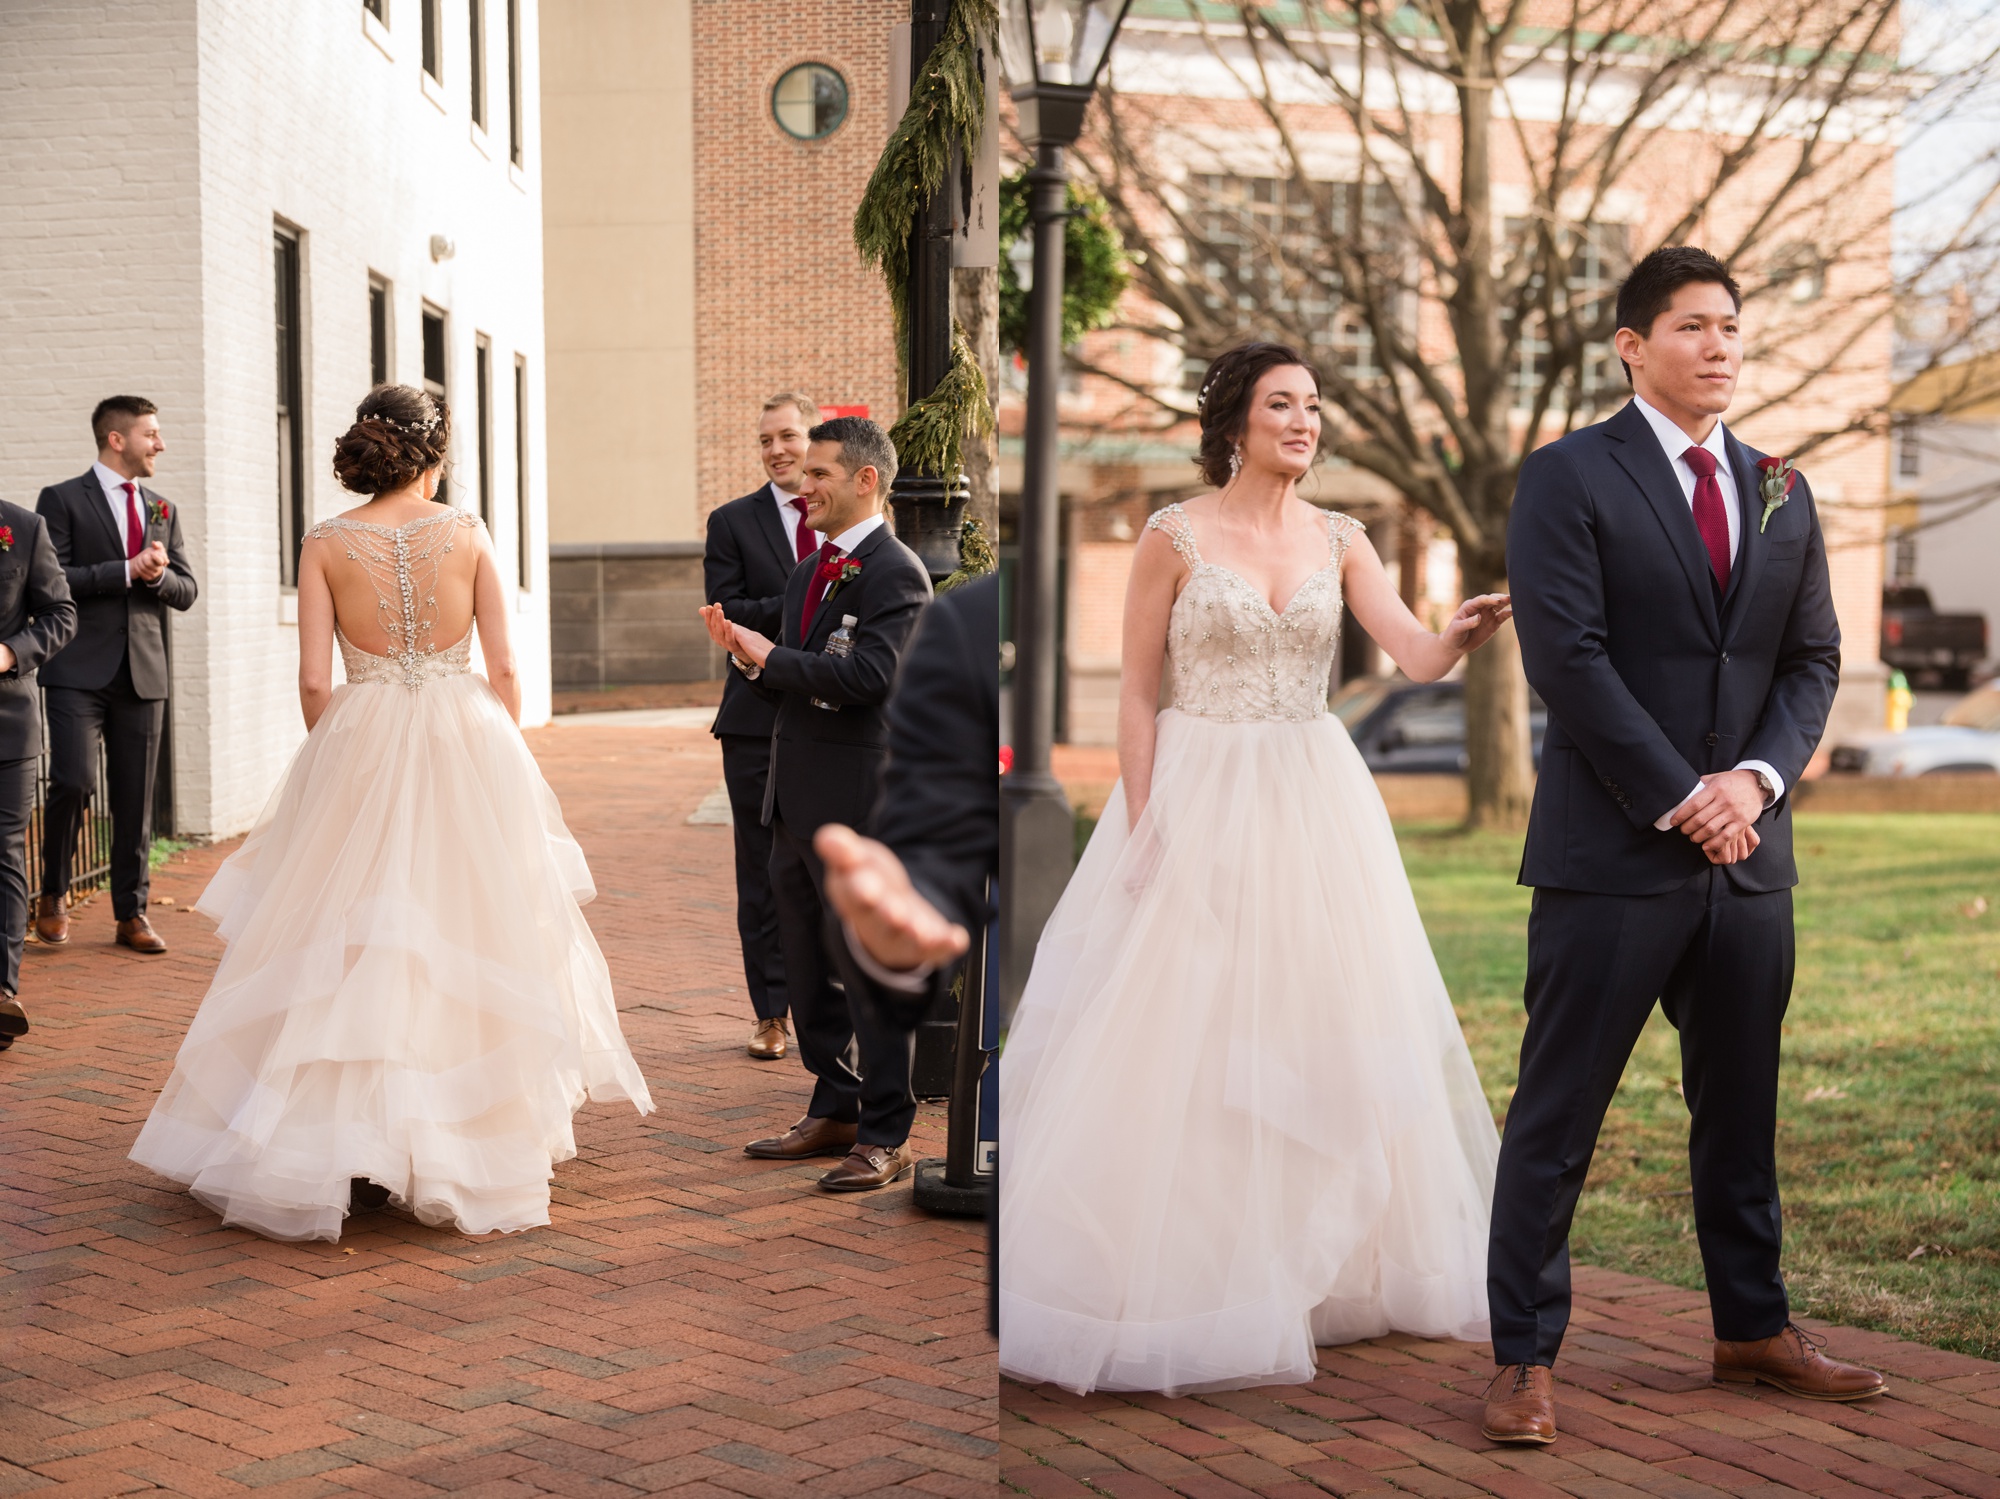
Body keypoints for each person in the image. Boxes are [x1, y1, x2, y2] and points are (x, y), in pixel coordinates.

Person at [1000, 343, 1514, 1396]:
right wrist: (1146, 829)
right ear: (1232, 422)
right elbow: (1135, 695)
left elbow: (1409, 653)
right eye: (1280, 403)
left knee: (1316, 1023)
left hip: (1312, 794)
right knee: (1186, 1023)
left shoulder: (1343, 536)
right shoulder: (1171, 533)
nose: (1302, 420)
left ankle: (1310, 1266)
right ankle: (1190, 1270)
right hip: (1197, 790)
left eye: (1313, 405)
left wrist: (1455, 634)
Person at [1486, 247, 1879, 1445]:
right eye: (1692, 326)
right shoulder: (1565, 477)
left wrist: (1751, 782)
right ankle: (1520, 1355)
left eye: (1729, 328)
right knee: (1558, 1113)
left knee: (1740, 1107)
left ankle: (1749, 1327)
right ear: (1629, 344)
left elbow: (1811, 659)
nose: (1718, 346)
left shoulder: (1781, 486)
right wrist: (1679, 795)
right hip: (1612, 854)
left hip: (1749, 857)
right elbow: (1566, 657)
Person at [130, 385, 653, 1242]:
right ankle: (457, 1129)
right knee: (468, 924)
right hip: (463, 733)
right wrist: (501, 747)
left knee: (349, 932)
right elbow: (506, 664)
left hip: (362, 730)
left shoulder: (326, 542)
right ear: (435, 449)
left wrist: (338, 758)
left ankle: (349, 1137)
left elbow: (310, 679)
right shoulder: (470, 533)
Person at [698, 416, 932, 1192]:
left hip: (861, 806)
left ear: (865, 479)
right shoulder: (811, 571)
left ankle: (888, 1133)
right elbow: (798, 678)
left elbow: (872, 678)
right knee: (806, 968)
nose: (804, 484)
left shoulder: (898, 573)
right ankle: (834, 1104)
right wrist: (753, 662)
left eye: (821, 473)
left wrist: (773, 655)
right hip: (793, 800)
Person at [34, 396, 198, 955]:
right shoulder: (60, 500)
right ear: (117, 439)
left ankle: (132, 913)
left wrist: (155, 578)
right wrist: (125, 570)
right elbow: (54, 579)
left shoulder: (162, 508)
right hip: (77, 670)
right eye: (151, 433)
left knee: (136, 799)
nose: (161, 444)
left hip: (143, 674)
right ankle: (53, 893)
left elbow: (187, 590)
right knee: (74, 781)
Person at [704, 392, 823, 1061]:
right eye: (765, 440)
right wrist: (814, 593)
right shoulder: (732, 522)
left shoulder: (844, 515)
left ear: (813, 439)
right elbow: (726, 613)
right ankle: (770, 1014)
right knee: (762, 871)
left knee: (823, 866)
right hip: (754, 722)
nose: (776, 449)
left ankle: (826, 1008)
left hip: (831, 720)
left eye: (787, 435)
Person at [0, 502, 77, 1053]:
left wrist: (10, 651)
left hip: (7, 725)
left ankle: (0, 995)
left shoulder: (23, 527)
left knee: (4, 851)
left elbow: (61, 614)